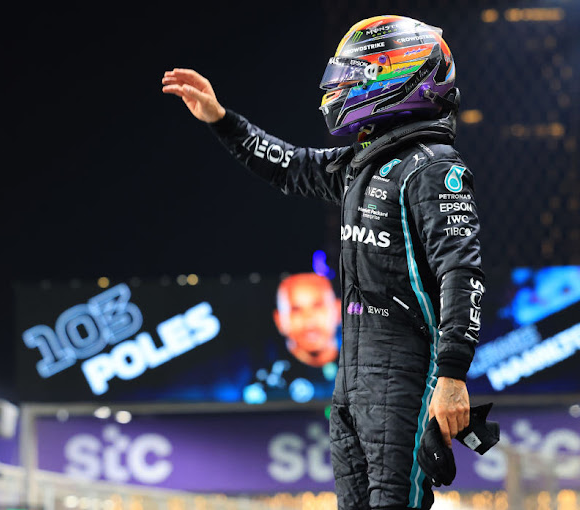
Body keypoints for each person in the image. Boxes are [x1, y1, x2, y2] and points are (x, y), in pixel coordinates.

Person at [163, 15, 484, 510]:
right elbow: (287, 166)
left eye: (359, 73)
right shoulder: (363, 164)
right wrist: (220, 119)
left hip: (406, 374)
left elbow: (461, 272)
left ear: (401, 75)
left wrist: (453, 377)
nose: (344, 86)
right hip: (351, 380)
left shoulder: (434, 167)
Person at [274, 273, 341, 368]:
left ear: (338, 311)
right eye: (296, 309)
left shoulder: (364, 362)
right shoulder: (268, 379)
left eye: (318, 306)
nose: (309, 319)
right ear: (279, 320)